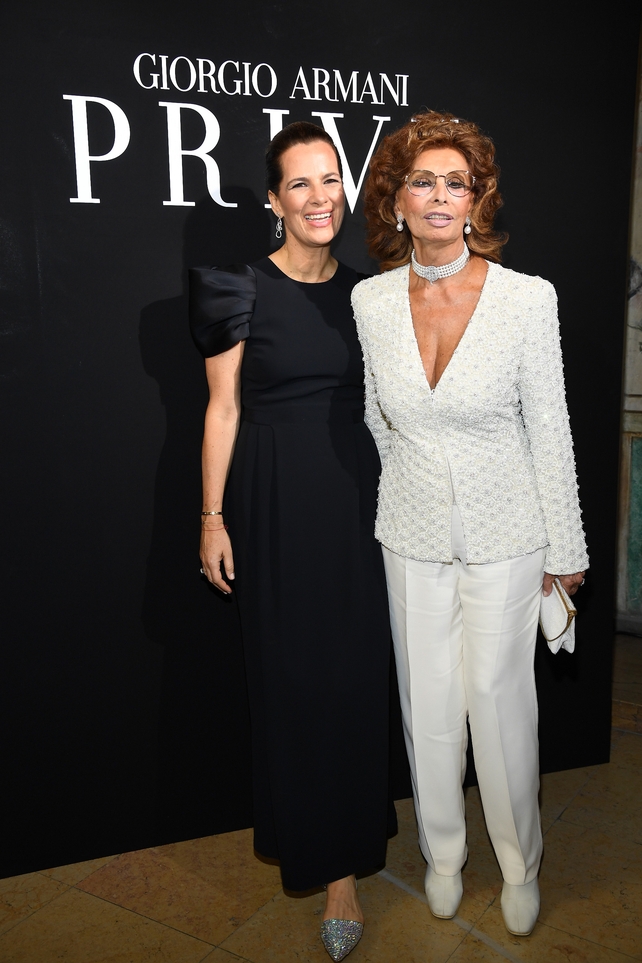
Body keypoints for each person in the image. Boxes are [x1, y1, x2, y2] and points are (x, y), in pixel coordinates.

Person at [351, 110, 588, 938]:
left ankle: (520, 860)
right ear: (396, 201)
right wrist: (410, 491)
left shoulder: (527, 298)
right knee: (427, 704)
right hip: (409, 530)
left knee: (499, 702)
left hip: (509, 530)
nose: (441, 196)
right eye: (424, 181)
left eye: (458, 182)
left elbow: (549, 426)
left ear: (478, 198)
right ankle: (443, 854)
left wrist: (566, 550)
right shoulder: (371, 300)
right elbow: (381, 423)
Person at [189, 121, 395, 962]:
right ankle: (308, 843)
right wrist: (211, 515)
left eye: (330, 180)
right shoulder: (234, 285)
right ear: (274, 200)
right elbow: (222, 408)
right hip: (271, 504)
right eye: (299, 184)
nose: (319, 197)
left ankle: (344, 872)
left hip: (358, 503)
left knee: (352, 678)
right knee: (292, 679)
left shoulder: (372, 292)